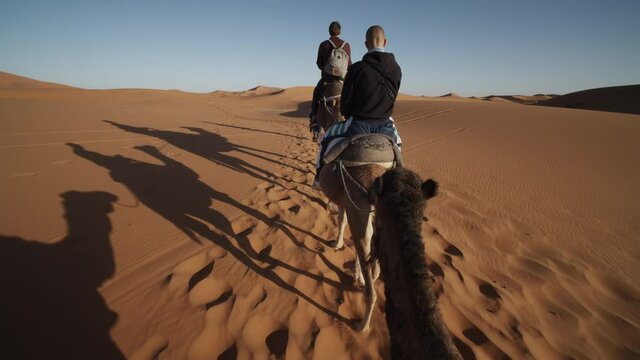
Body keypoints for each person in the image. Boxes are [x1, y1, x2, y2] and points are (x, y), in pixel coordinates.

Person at [313, 25, 402, 189]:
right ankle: (399, 176)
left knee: (326, 139)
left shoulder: (357, 68)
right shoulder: (397, 70)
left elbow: (345, 107)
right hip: (386, 125)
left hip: (358, 124)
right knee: (398, 145)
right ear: (386, 42)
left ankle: (319, 176)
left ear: (366, 44)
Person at [309, 21, 352, 130]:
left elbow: (319, 63)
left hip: (326, 80)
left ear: (329, 31)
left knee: (316, 93)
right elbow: (349, 64)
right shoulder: (346, 45)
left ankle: (314, 120)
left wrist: (326, 69)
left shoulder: (324, 44)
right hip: (342, 80)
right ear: (340, 31)